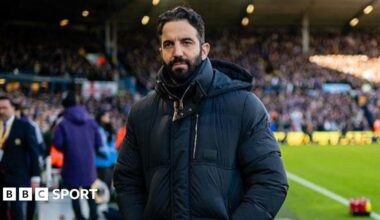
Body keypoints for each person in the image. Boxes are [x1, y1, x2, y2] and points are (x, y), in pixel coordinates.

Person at [113, 6, 288, 220]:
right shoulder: (142, 113)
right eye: (169, 44)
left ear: (204, 49)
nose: (177, 52)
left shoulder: (244, 106)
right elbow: (126, 181)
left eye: (186, 42)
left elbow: (271, 182)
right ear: (160, 51)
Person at [53, 92, 102, 220]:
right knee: (90, 194)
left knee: (75, 196)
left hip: (71, 165)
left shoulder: (62, 123)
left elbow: (57, 144)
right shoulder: (90, 120)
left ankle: (79, 217)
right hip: (88, 165)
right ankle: (94, 216)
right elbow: (99, 142)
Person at [0, 96, 40, 220]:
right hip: (0, 177)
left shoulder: (25, 127)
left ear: (13, 108)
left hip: (17, 177)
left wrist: (35, 177)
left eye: (5, 108)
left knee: (16, 209)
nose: (1, 111)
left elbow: (34, 153)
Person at [95, 110, 117, 190]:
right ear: (101, 117)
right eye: (107, 116)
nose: (109, 118)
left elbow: (112, 146)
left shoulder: (109, 130)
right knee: (99, 186)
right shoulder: (96, 129)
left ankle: (105, 201)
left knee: (107, 185)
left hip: (110, 161)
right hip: (99, 161)